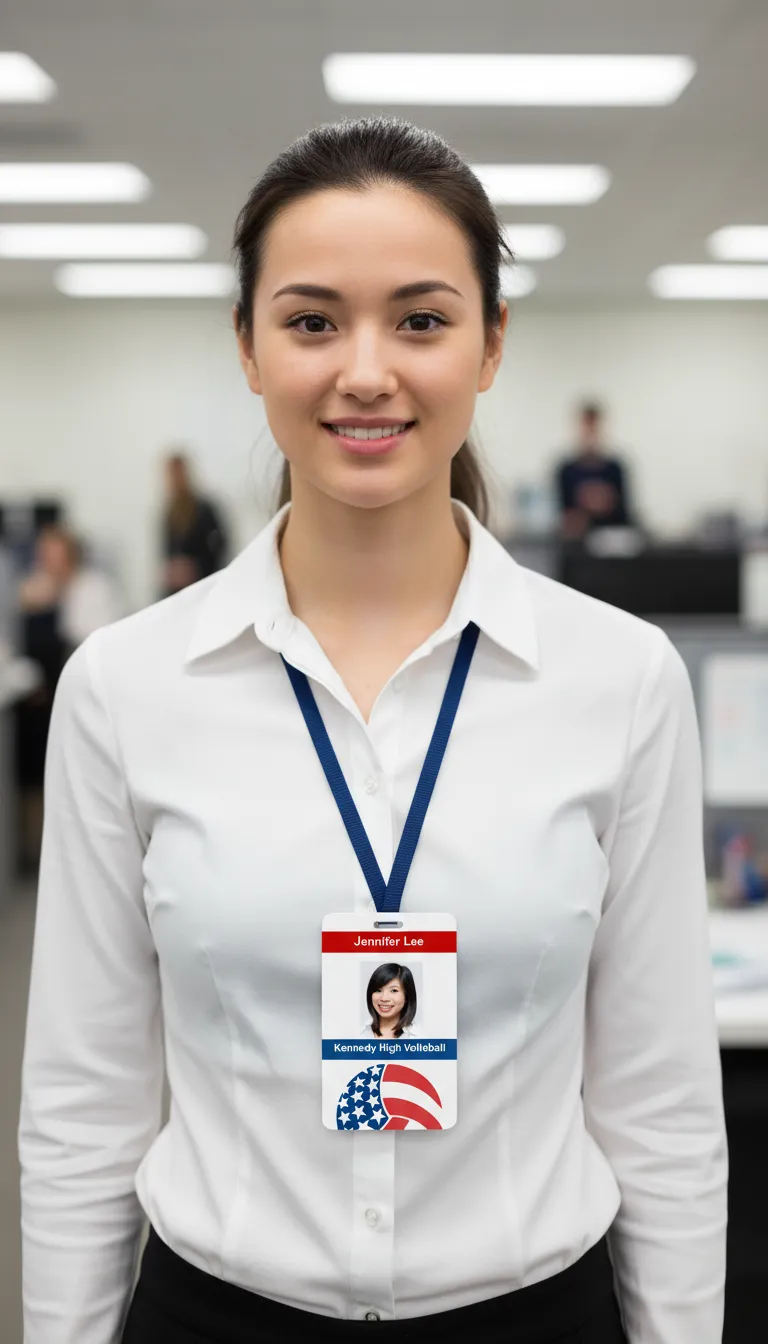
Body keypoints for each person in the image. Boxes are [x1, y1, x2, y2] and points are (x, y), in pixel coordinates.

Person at [19, 116, 727, 1344]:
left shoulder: (622, 680)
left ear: (492, 343)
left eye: (420, 318)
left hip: (532, 1315)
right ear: (246, 346)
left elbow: (661, 1104)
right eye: (309, 321)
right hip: (218, 1314)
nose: (364, 370)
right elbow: (85, 1108)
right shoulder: (125, 687)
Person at [13, 525, 122, 872]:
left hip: (88, 696)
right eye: (42, 555)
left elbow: (89, 640)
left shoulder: (94, 588)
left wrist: (57, 598)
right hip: (42, 695)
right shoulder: (40, 587)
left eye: (52, 554)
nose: (45, 562)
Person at [555, 402, 634, 539]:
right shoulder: (566, 470)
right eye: (587, 426)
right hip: (576, 544)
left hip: (611, 542)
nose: (591, 433)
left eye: (594, 427)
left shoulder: (616, 469)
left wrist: (607, 504)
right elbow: (561, 514)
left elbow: (625, 514)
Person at [160, 451, 228, 596]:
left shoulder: (205, 510)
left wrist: (195, 568)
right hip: (177, 592)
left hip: (204, 586)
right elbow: (166, 553)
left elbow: (220, 547)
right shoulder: (169, 513)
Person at [360, 963, 418, 1038]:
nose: (384, 998)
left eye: (394, 990)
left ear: (406, 996)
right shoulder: (360, 1033)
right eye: (378, 990)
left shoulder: (420, 1037)